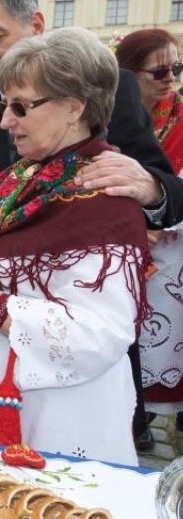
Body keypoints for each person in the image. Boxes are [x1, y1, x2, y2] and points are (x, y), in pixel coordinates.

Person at [0, 0, 183, 450]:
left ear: (74, 107)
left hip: (52, 409)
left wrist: (149, 188)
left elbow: (96, 330)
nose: (4, 120)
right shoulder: (10, 175)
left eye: (19, 107)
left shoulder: (103, 188)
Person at [115, 29, 183, 434]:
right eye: (159, 71)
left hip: (172, 261)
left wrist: (160, 214)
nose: (170, 78)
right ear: (129, 73)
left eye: (177, 68)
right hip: (125, 259)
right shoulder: (109, 119)